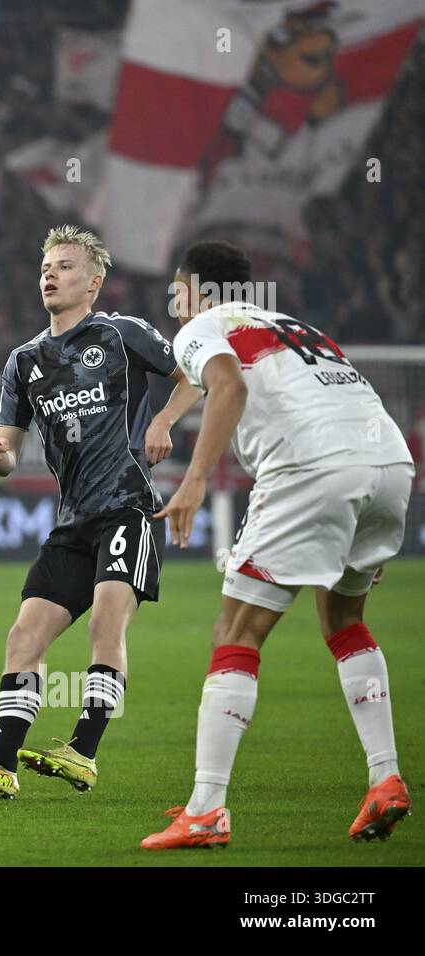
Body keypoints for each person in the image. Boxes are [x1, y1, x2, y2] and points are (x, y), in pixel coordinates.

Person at [141, 240, 414, 848]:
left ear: (198, 290)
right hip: (390, 464)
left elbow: (228, 389)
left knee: (235, 632)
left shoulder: (204, 324)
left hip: (310, 470)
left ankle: (207, 808)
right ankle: (385, 778)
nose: (175, 304)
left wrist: (192, 482)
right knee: (345, 619)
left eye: (177, 291)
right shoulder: (296, 326)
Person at [0, 225, 188, 799]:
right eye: (47, 266)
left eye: (66, 266)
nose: (51, 274)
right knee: (24, 636)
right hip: (74, 522)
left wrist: (164, 421)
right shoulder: (24, 361)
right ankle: (1, 765)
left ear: (94, 282)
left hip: (129, 509)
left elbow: (189, 380)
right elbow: (9, 451)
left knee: (104, 621)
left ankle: (84, 751)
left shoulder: (121, 334)